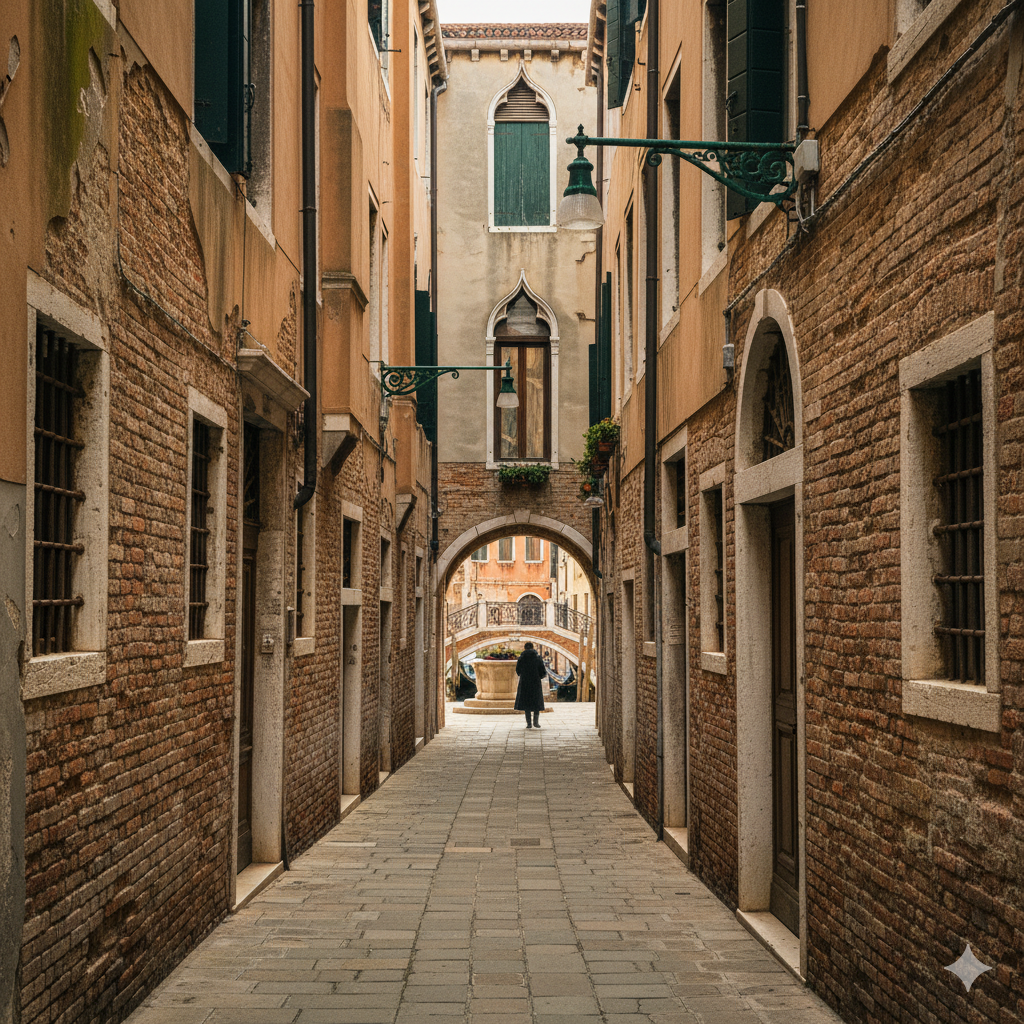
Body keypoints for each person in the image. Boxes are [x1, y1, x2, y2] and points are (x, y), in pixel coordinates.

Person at [514, 641, 547, 729]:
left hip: (525, 682)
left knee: (526, 703)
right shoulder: (538, 658)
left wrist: (524, 675)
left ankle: (529, 723)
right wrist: (538, 676)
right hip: (535, 682)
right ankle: (536, 722)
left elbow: (518, 670)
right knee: (536, 702)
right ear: (532, 648)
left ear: (525, 648)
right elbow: (543, 672)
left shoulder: (521, 658)